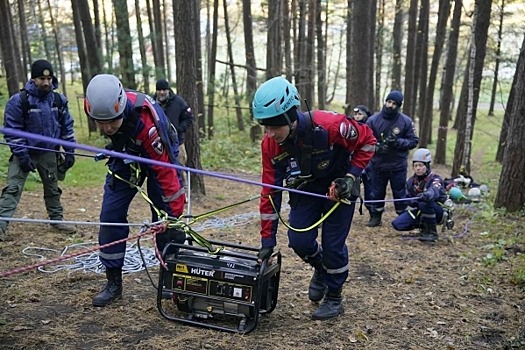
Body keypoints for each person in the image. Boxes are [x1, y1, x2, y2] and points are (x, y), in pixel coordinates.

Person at [252, 77, 376, 320]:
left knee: (333, 245)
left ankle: (334, 296)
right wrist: (267, 240)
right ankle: (321, 269)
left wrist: (351, 177)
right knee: (298, 240)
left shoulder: (331, 126)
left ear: (290, 117)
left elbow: (368, 142)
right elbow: (270, 190)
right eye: (264, 126)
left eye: (274, 126)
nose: (269, 133)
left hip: (339, 190)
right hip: (305, 190)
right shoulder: (270, 145)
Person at [84, 74, 186, 307]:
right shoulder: (97, 104)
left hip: (158, 156)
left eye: (112, 122)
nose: (107, 128)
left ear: (121, 109)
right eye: (101, 123)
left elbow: (167, 174)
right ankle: (113, 283)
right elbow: (110, 127)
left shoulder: (149, 126)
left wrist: (174, 213)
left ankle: (172, 276)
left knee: (165, 218)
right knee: (110, 216)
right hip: (126, 154)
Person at [0, 59, 77, 241]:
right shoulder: (19, 101)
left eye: (49, 78)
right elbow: (12, 130)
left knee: (52, 188)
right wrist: (22, 155)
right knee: (12, 188)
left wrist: (69, 152)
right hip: (24, 153)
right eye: (42, 79)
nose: (46, 82)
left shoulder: (59, 100)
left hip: (49, 153)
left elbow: (67, 128)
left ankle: (57, 220)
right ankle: (1, 225)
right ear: (33, 79)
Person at [365, 90, 419, 227]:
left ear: (398, 105)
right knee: (376, 192)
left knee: (400, 193)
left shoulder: (405, 121)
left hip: (398, 166)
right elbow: (364, 143)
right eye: (389, 102)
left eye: (394, 103)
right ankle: (375, 216)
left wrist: (398, 142)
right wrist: (378, 148)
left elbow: (413, 141)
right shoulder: (373, 120)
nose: (390, 105)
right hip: (378, 165)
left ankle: (403, 218)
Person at [391, 148, 447, 242]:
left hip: (437, 210)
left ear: (427, 165)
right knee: (398, 224)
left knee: (424, 202)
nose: (418, 168)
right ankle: (423, 225)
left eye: (420, 165)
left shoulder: (435, 179)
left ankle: (431, 233)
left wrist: (426, 195)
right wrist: (412, 200)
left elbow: (434, 191)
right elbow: (409, 199)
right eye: (415, 165)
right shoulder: (411, 182)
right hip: (420, 209)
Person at [153, 79, 194, 165]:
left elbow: (189, 118)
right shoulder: (151, 103)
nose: (161, 92)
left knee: (179, 171)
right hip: (158, 144)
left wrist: (179, 128)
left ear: (168, 90)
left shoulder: (178, 102)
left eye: (164, 90)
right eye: (159, 90)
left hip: (177, 143)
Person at [351, 105, 373, 215]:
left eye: (360, 114)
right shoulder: (350, 127)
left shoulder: (371, 125)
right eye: (355, 114)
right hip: (355, 164)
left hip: (370, 165)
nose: (357, 116)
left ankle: (372, 211)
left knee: (371, 190)